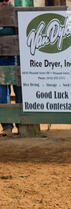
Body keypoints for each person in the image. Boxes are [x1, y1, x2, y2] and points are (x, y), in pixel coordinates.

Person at [0, 0, 17, 137]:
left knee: (19, 89)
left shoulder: (14, 12)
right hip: (2, 57)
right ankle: (7, 126)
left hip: (15, 56)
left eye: (6, 0)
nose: (4, 3)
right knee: (2, 91)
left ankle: (23, 124)